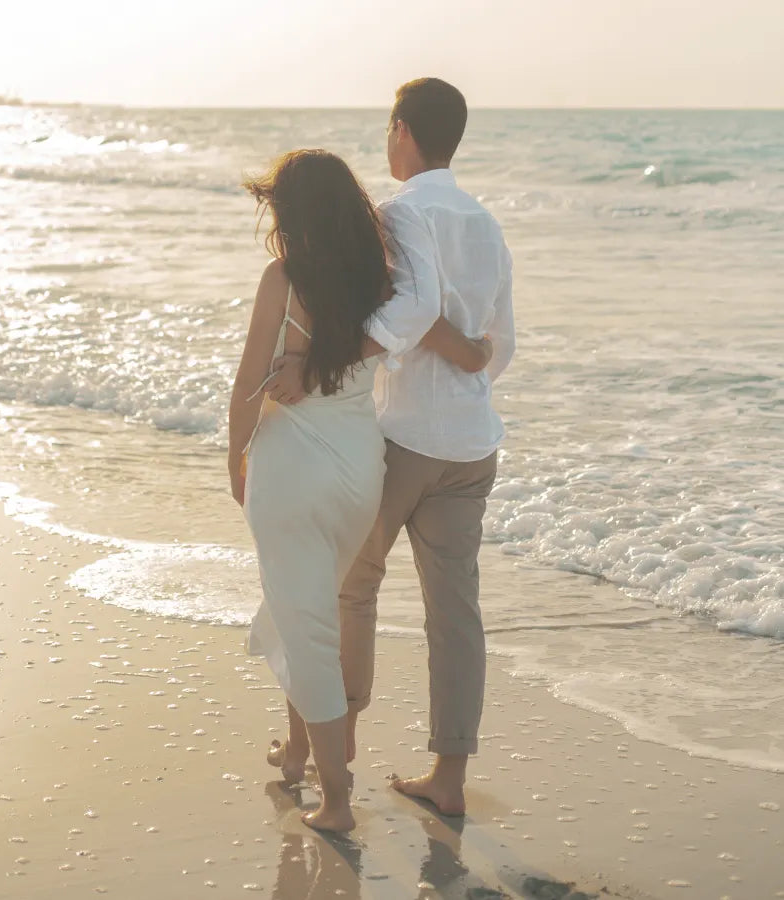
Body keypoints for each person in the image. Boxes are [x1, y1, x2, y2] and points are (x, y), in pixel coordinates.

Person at [265, 78, 516, 817]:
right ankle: (449, 777)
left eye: (387, 129)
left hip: (405, 437)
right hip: (473, 442)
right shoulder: (487, 223)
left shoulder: (400, 211)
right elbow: (498, 347)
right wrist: (466, 361)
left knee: (350, 590)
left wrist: (324, 366)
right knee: (455, 611)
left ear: (402, 131)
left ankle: (331, 759)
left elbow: (415, 305)